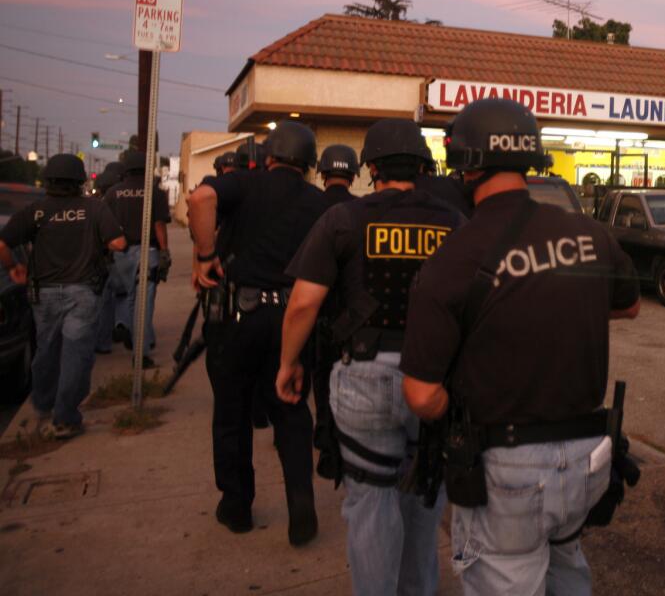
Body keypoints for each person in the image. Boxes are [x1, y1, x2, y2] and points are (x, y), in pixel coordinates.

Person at [401, 98, 640, 596]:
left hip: (505, 469)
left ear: (467, 167)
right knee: (566, 567)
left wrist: (454, 410)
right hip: (587, 460)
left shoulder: (454, 258)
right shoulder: (590, 236)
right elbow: (628, 304)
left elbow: (422, 396)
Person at [278, 118, 465, 596]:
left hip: (363, 375)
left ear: (371, 168)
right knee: (424, 504)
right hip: (436, 382)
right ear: (424, 167)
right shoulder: (454, 224)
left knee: (370, 509)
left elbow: (302, 304)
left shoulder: (344, 219)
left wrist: (288, 364)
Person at [186, 120, 328, 545]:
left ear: (269, 156)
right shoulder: (320, 204)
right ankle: (301, 503)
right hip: (292, 321)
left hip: (237, 316)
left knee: (232, 412)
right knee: (291, 410)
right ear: (308, 163)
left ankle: (237, 506)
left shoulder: (242, 184)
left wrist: (206, 254)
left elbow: (200, 197)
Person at [0, 154, 126, 440]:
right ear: (80, 181)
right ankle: (65, 417)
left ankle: (43, 403)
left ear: (48, 181)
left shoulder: (36, 211)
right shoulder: (94, 209)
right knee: (76, 354)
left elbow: (3, 244)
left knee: (46, 350)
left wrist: (14, 268)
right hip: (82, 291)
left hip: (43, 293)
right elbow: (118, 242)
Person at [105, 149, 171, 368]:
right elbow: (159, 225)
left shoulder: (113, 193)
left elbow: (105, 226)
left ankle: (134, 338)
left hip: (121, 253)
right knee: (145, 302)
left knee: (132, 298)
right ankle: (140, 355)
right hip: (147, 251)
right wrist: (164, 251)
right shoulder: (155, 192)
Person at [92, 160, 125, 355]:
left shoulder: (100, 202)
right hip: (114, 253)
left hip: (102, 256)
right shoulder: (115, 198)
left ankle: (103, 339)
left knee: (104, 300)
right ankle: (113, 333)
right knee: (113, 298)